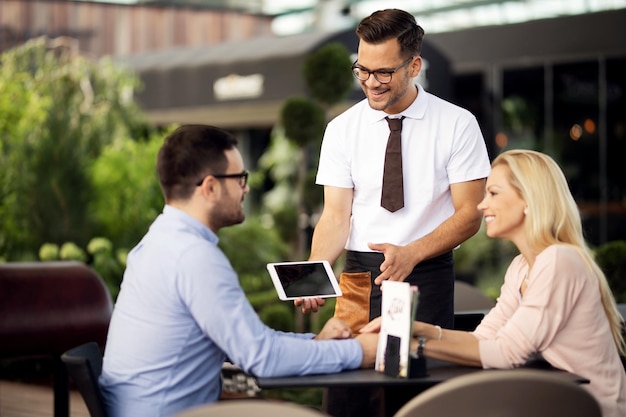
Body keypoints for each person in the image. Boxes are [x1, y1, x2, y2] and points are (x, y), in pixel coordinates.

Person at [98, 125, 378, 417]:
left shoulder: (160, 241)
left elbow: (248, 343)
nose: (246, 188)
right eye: (240, 178)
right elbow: (262, 358)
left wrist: (316, 342)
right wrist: (361, 352)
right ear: (210, 187)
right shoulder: (193, 257)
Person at [363, 149, 626, 417]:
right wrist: (417, 330)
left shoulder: (559, 261)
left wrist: (408, 344)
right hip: (556, 401)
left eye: (494, 193)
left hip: (591, 407)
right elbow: (484, 339)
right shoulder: (521, 267)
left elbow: (505, 354)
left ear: (529, 200)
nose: (481, 204)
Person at [297, 7, 490, 336]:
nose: (371, 83)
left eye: (384, 73)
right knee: (350, 380)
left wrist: (412, 253)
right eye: (362, 70)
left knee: (417, 380)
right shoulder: (341, 129)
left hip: (427, 273)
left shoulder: (457, 124)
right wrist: (317, 271)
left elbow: (470, 214)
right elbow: (335, 215)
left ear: (414, 66)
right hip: (359, 276)